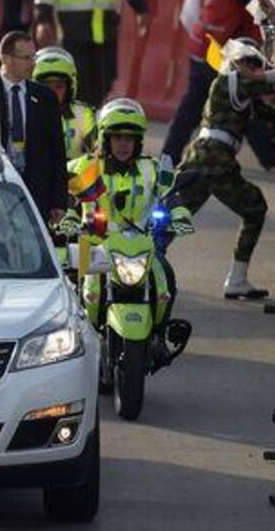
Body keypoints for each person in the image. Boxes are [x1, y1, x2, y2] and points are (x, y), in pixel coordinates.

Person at [61, 99, 194, 363]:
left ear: (138, 142)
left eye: (129, 138)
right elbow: (68, 197)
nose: (123, 144)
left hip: (140, 245)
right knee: (76, 289)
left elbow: (170, 194)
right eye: (117, 137)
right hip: (95, 245)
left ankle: (157, 336)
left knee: (165, 279)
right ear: (105, 138)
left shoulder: (151, 168)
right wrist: (69, 217)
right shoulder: (88, 167)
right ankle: (70, 340)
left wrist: (179, 214)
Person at [171, 39, 275, 300]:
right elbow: (263, 82)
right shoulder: (228, 81)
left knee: (175, 216)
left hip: (210, 159)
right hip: (213, 158)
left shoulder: (242, 89)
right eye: (248, 62)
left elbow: (273, 116)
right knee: (174, 217)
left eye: (254, 64)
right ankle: (143, 268)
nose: (252, 68)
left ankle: (236, 279)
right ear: (236, 63)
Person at [162, 0, 275, 168]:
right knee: (238, 102)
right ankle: (270, 156)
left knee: (197, 106)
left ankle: (169, 156)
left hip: (208, 49)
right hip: (212, 52)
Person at [0, 32, 68, 224]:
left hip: (36, 195)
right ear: (6, 58)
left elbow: (57, 152)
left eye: (33, 57)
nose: (32, 63)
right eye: (26, 58)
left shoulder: (45, 97)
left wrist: (59, 201)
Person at [33, 46, 97, 160]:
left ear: (70, 88)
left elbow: (99, 151)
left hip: (74, 176)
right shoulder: (24, 112)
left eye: (59, 87)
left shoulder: (84, 113)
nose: (52, 93)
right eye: (46, 86)